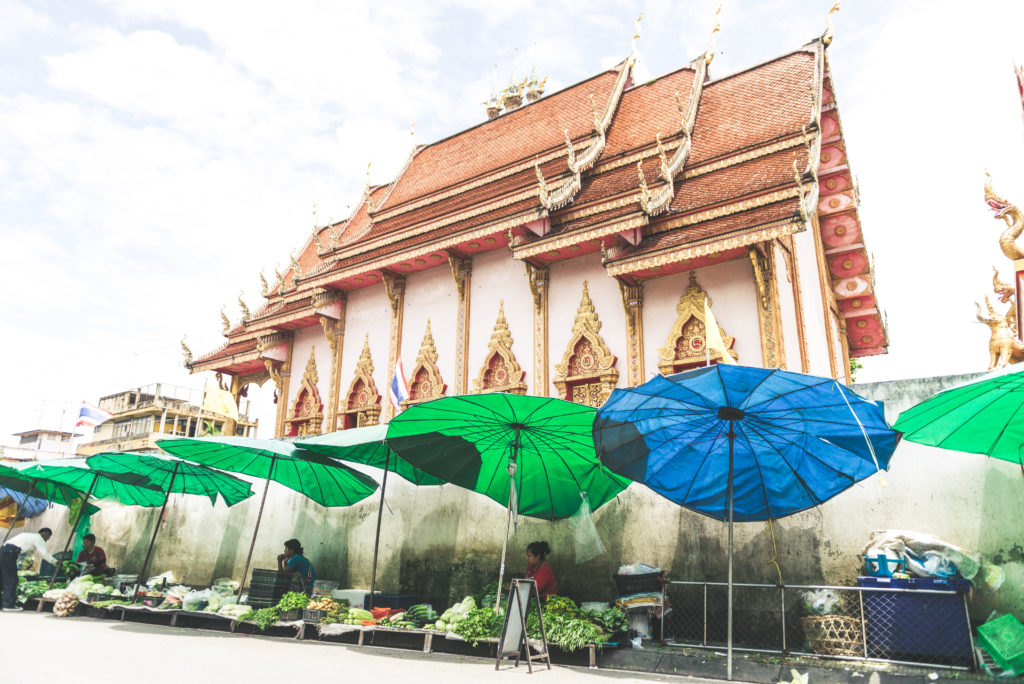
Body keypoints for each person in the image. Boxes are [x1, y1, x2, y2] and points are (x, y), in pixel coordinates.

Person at [1, 527, 56, 610]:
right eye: (47, 538)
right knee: (12, 579)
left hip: (3, 551)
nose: (46, 540)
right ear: (45, 534)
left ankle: (3, 603)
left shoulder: (28, 535)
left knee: (2, 578)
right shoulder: (39, 538)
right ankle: (8, 605)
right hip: (9, 554)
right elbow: (44, 553)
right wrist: (55, 562)